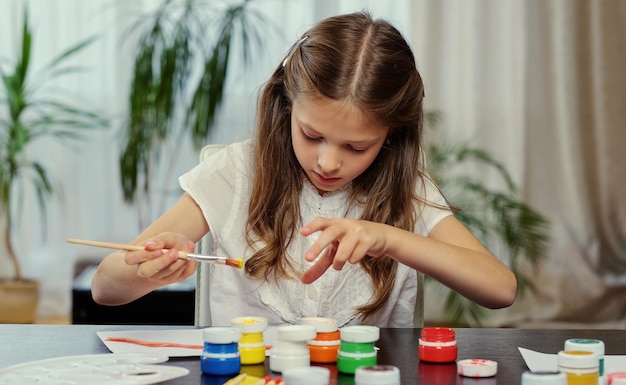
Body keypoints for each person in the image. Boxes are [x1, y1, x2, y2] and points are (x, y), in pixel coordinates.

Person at [92, 11, 516, 327]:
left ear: (391, 136)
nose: (328, 162)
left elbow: (500, 290)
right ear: (287, 106)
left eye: (356, 147)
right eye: (312, 135)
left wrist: (389, 238)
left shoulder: (407, 189)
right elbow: (104, 289)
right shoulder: (235, 173)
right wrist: (147, 270)